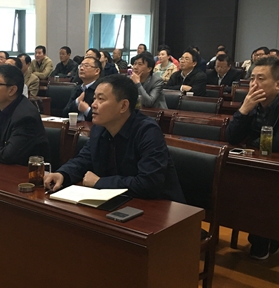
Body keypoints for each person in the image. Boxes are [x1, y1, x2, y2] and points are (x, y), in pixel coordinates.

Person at [44, 74, 184, 202]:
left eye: (101, 99)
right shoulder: (100, 128)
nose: (93, 105)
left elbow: (148, 183)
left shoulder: (148, 132)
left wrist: (100, 182)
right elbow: (84, 160)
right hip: (118, 202)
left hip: (160, 208)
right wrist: (62, 174)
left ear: (123, 106)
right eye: (94, 98)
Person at [225, 56, 279, 260]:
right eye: (252, 78)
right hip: (260, 164)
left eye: (261, 79)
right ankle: (262, 237)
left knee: (260, 189)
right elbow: (231, 137)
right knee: (230, 182)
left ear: (278, 84)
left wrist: (251, 142)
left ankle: (267, 237)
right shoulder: (252, 102)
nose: (254, 84)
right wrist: (243, 110)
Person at [62, 57, 101, 121]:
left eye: (86, 66)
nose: (82, 68)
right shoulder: (77, 88)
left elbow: (104, 117)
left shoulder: (101, 89)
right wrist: (77, 102)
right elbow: (65, 113)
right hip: (75, 125)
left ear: (97, 71)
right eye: (81, 66)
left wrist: (87, 110)